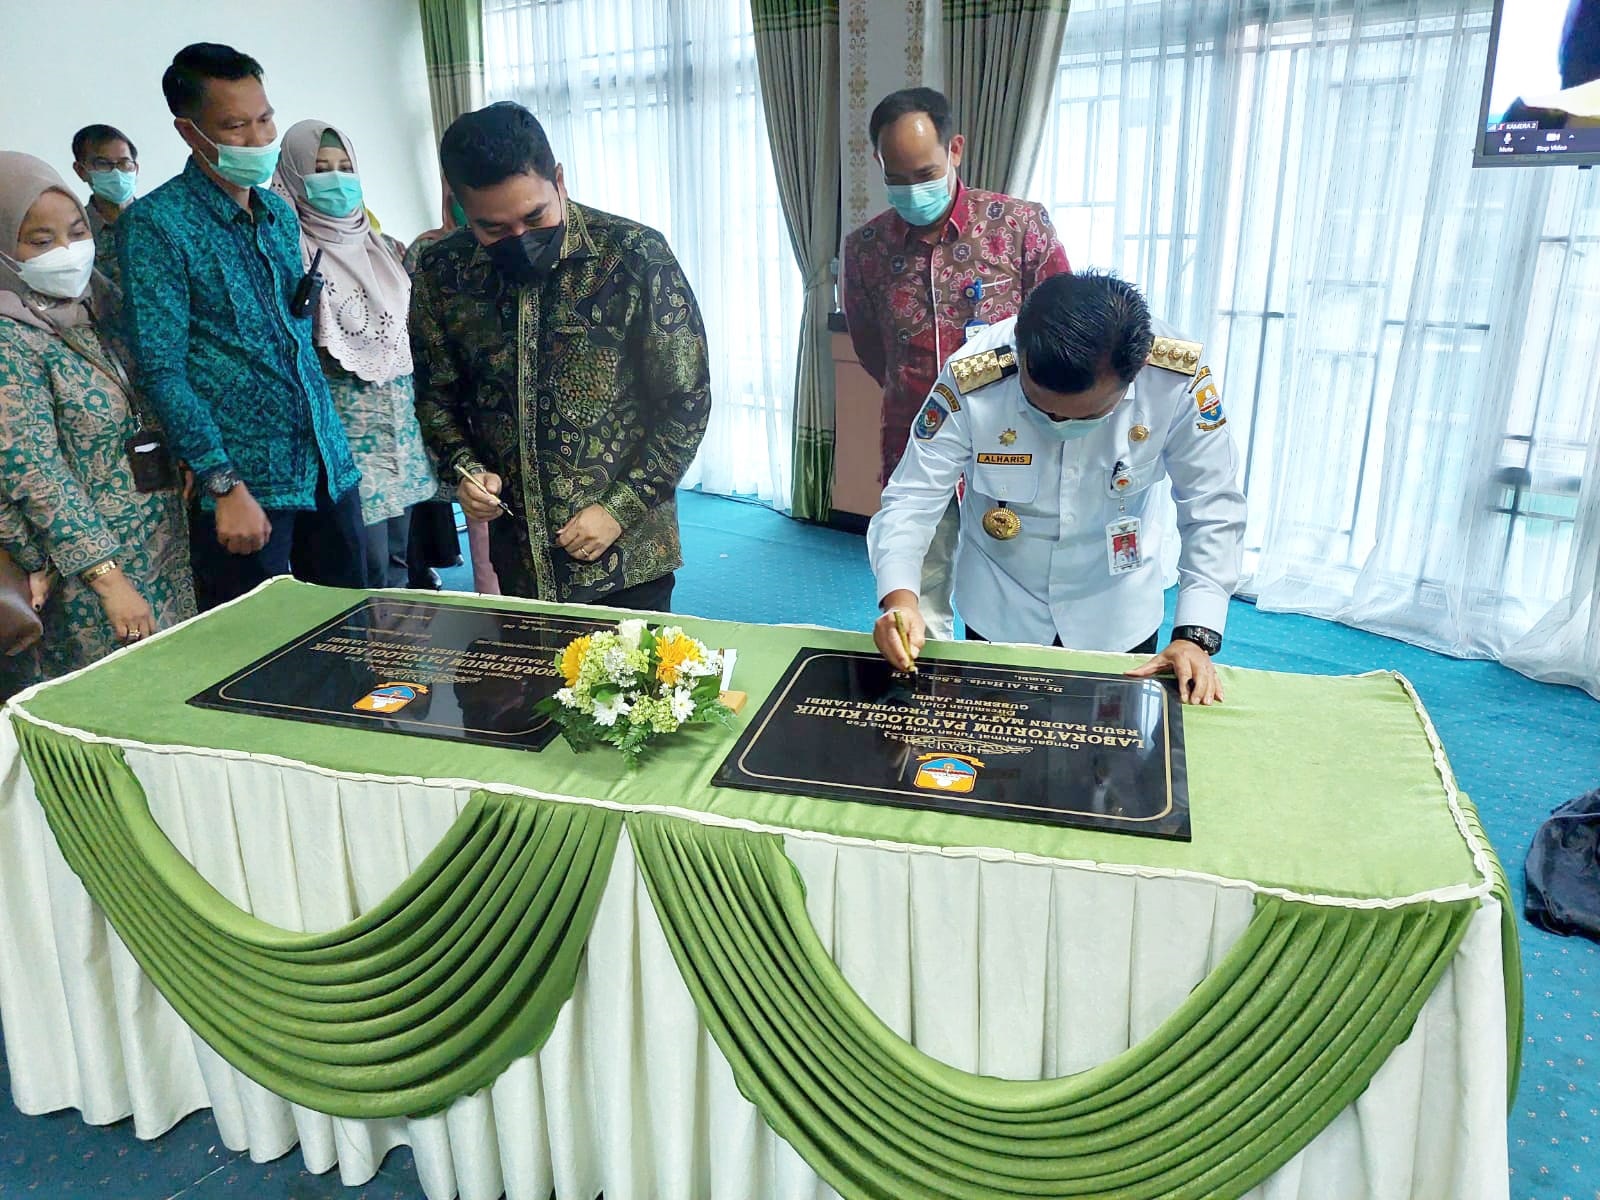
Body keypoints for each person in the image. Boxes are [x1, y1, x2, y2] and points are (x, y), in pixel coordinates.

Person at [867, 272, 1246, 706]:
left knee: (1112, 761)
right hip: (1002, 603)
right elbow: (913, 497)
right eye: (1040, 408)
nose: (1058, 425)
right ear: (1021, 351)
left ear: (1134, 373)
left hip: (1116, 607)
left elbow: (1212, 506)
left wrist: (1195, 634)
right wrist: (899, 600)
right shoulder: (975, 375)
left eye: (1083, 417)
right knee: (996, 754)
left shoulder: (1175, 381)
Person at [411, 102, 711, 611]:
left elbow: (686, 402)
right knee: (533, 686)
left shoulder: (632, 257)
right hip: (518, 553)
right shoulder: (445, 271)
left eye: (535, 216)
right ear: (462, 209)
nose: (520, 240)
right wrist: (465, 470)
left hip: (628, 554)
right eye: (494, 229)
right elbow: (435, 394)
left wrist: (620, 508)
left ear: (560, 180)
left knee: (633, 687)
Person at [118, 43, 365, 610]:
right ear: (190, 132)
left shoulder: (278, 212)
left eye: (265, 119)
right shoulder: (157, 227)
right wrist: (221, 481)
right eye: (235, 126)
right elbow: (162, 368)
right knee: (264, 662)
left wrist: (338, 459)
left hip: (328, 470)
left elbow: (296, 336)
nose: (258, 139)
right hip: (247, 490)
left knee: (353, 635)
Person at [842, 87, 1070, 640]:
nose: (912, 188)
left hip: (1015, 440)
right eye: (897, 177)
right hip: (916, 439)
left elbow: (1062, 328)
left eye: (924, 171)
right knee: (919, 594)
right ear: (878, 164)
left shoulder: (1019, 226)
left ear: (955, 150)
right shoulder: (865, 249)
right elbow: (874, 349)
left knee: (1015, 596)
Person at [0, 152, 194, 686]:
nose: (66, 251)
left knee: (181, 690)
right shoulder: (10, 338)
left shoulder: (99, 308)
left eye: (76, 231)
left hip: (159, 541)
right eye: (40, 241)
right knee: (121, 704)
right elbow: (33, 470)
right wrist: (107, 579)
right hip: (90, 572)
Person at [272, 120, 438, 589]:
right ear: (294, 175)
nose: (337, 180)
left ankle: (407, 659)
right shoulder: (287, 255)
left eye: (345, 167)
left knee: (403, 564)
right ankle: (373, 660)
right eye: (321, 169)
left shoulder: (387, 250)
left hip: (400, 441)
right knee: (362, 570)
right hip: (342, 450)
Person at [69, 124, 139, 292]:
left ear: (135, 169)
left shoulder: (160, 221)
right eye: (103, 164)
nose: (116, 172)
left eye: (124, 163)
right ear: (81, 171)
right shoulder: (74, 234)